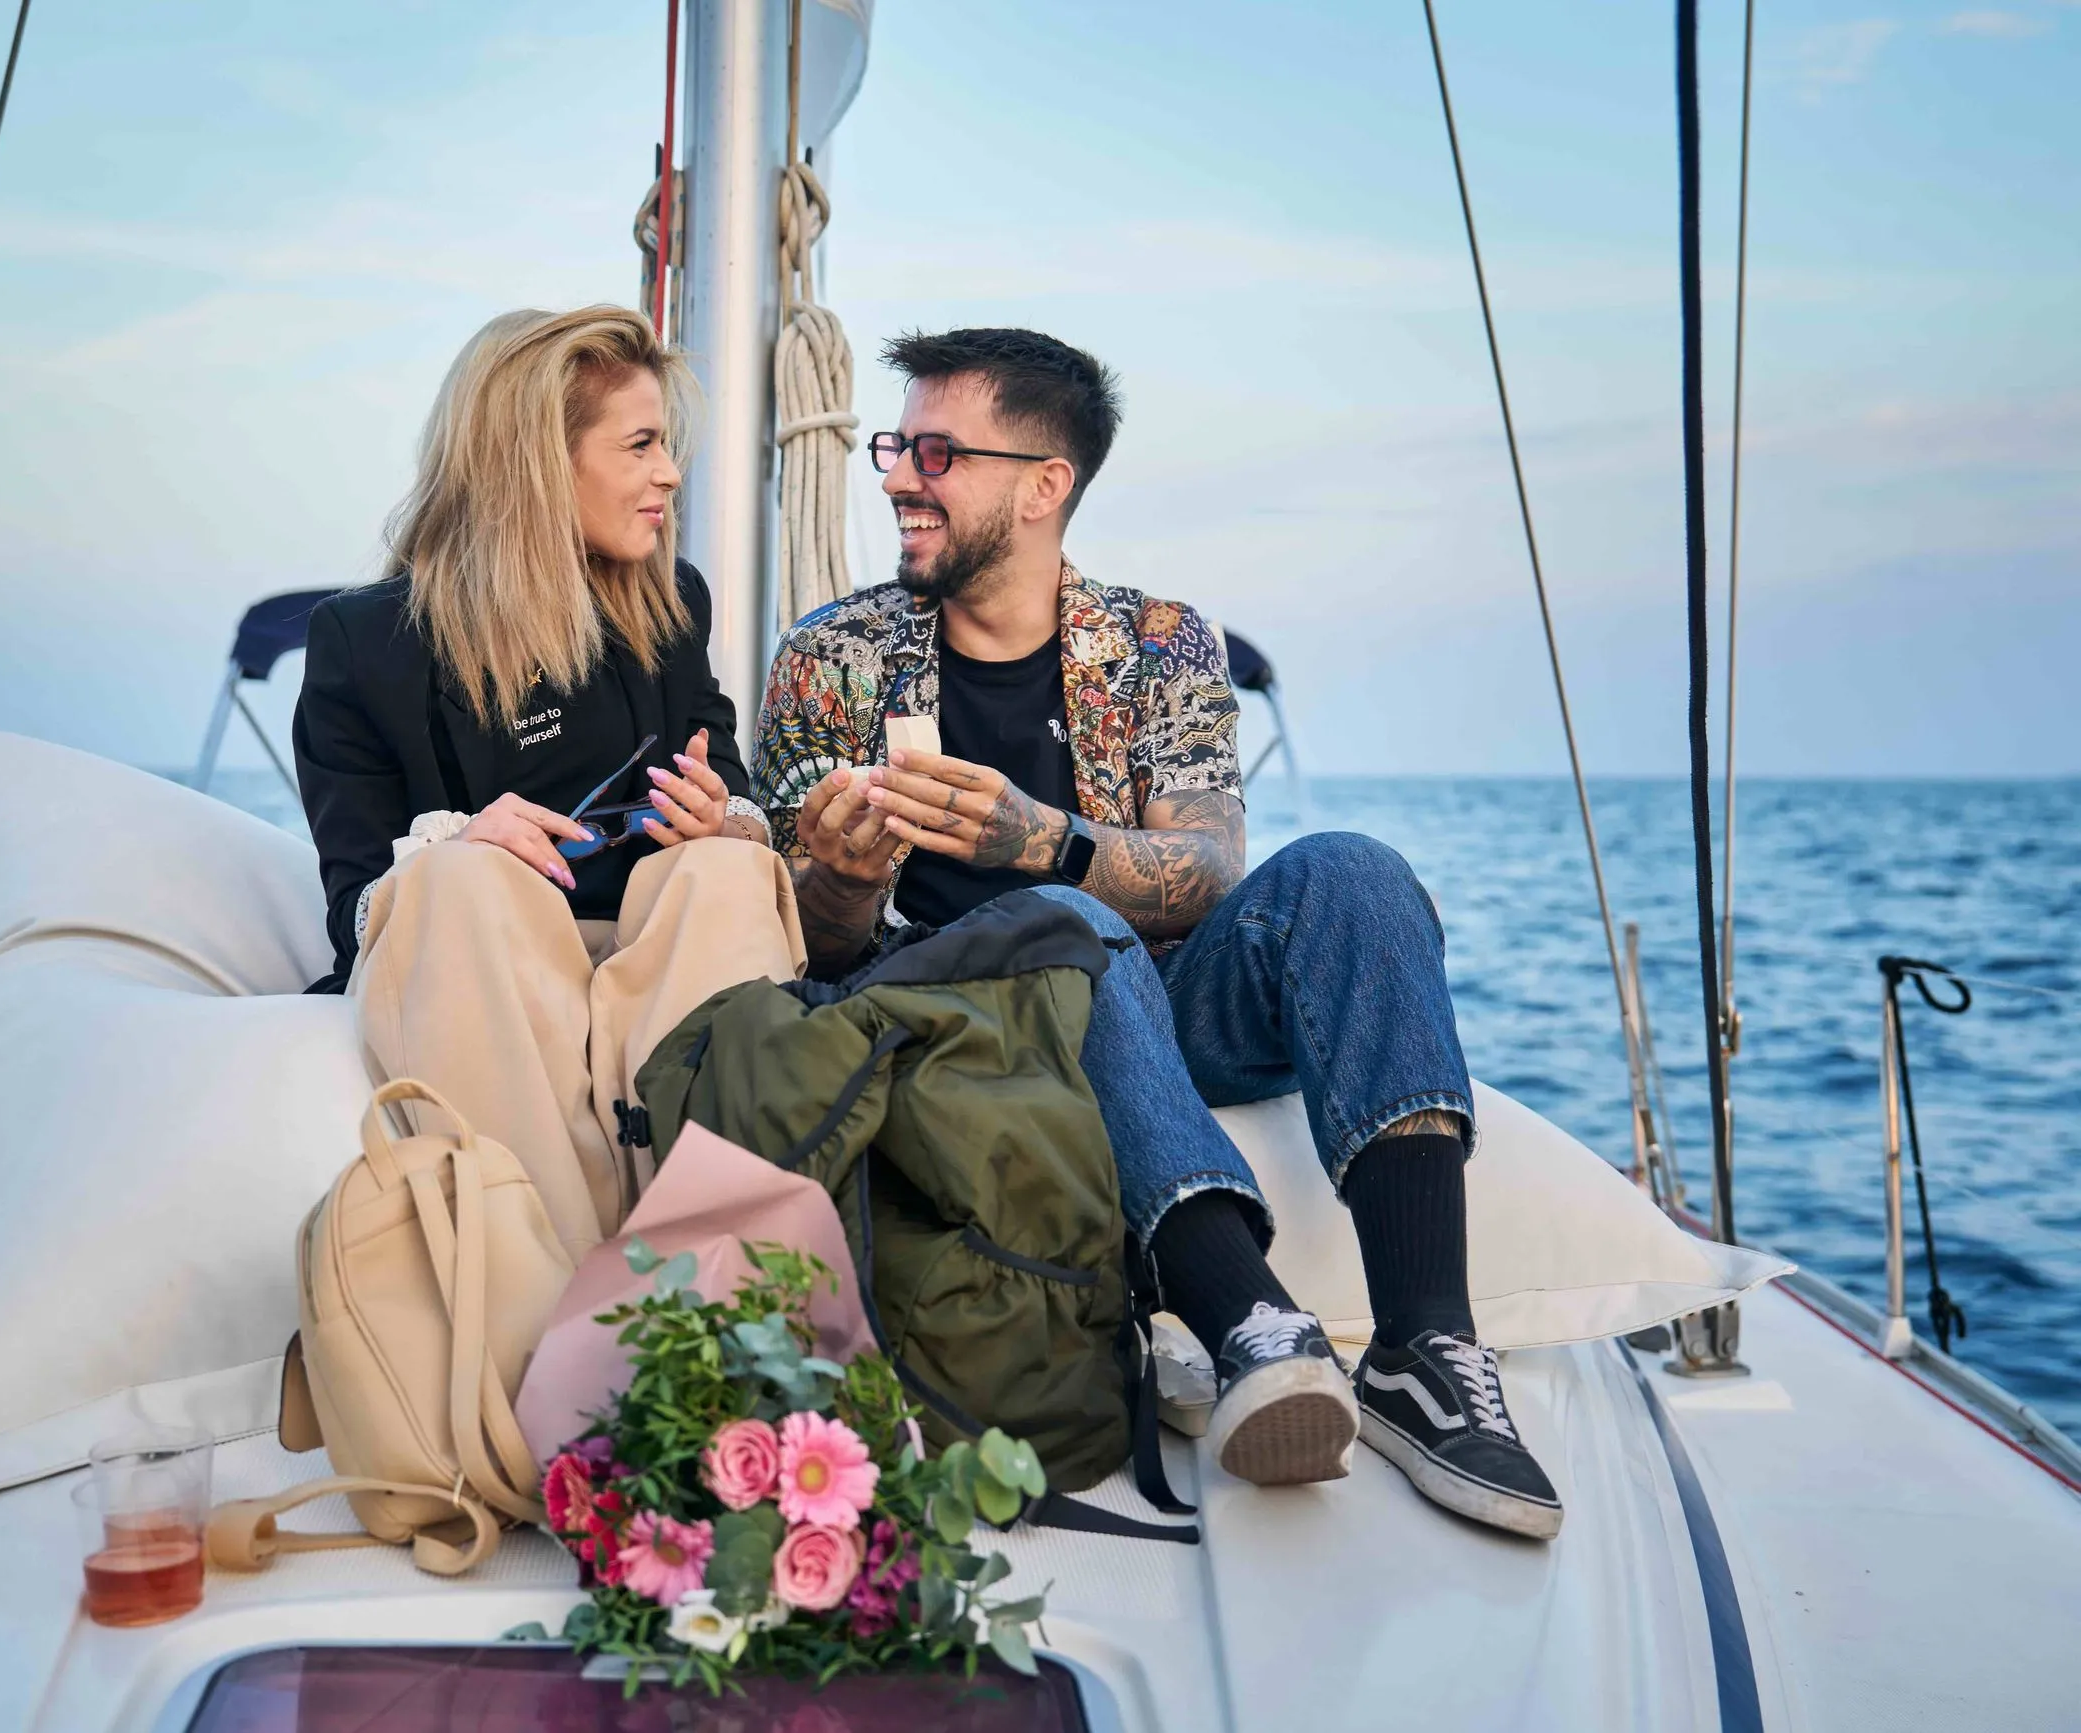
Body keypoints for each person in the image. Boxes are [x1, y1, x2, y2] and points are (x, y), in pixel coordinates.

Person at [752, 327, 1562, 1540]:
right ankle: (1248, 1318)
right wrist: (844, 879)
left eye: (935, 452)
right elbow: (802, 945)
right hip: (949, 1029)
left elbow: (1208, 867)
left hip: (1150, 1002)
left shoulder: (1158, 641)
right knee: (1063, 922)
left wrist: (1037, 835)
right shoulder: (832, 656)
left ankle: (1424, 1351)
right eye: (894, 446)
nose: (898, 477)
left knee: (1354, 871)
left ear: (1044, 484)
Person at [295, 305, 804, 1261]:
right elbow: (356, 906)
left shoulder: (670, 601)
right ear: (536, 461)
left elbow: (730, 780)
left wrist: (723, 817)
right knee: (462, 878)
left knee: (724, 869)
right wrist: (456, 843)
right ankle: (559, 1285)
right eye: (642, 445)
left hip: (654, 956)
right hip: (487, 960)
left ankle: (711, 1275)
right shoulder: (365, 644)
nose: (671, 473)